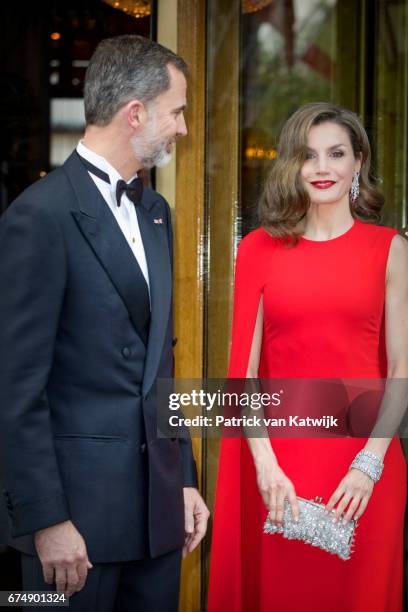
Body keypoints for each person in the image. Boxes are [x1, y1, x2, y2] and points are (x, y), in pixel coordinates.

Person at [0, 34, 209, 612]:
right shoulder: (36, 217)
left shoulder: (157, 212)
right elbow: (15, 390)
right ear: (135, 113)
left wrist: (183, 477)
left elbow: (157, 364)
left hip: (156, 517)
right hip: (74, 530)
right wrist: (47, 521)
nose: (182, 129)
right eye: (177, 112)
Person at [207, 102, 407, 612]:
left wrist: (369, 464)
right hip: (278, 466)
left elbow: (403, 368)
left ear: (358, 161)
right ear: (292, 165)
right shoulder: (257, 249)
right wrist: (266, 464)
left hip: (367, 465)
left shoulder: (392, 250)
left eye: (336, 154)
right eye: (308, 155)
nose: (322, 168)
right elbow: (243, 376)